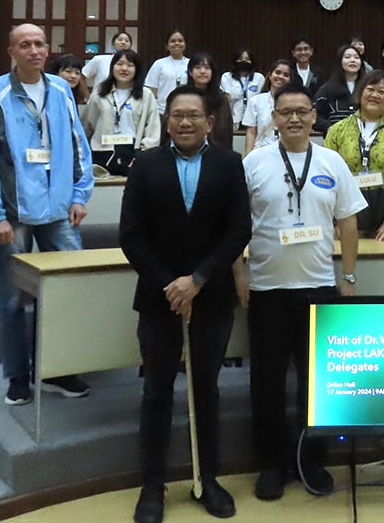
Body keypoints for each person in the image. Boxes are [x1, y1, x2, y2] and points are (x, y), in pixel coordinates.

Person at [120, 85, 251, 523]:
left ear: (209, 122)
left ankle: (205, 479)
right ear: (166, 120)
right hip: (159, 301)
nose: (185, 123)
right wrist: (171, 286)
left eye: (194, 115)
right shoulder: (146, 165)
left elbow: (238, 230)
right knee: (157, 390)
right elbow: (131, 235)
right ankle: (152, 485)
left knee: (206, 391)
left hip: (211, 297)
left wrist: (196, 280)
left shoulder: (230, 165)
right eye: (177, 115)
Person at [233, 82, 367, 502]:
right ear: (273, 117)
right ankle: (272, 462)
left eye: (302, 111)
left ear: (314, 117)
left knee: (318, 382)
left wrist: (348, 277)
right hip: (268, 288)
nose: (294, 118)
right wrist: (239, 273)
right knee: (267, 382)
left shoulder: (332, 161)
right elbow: (236, 225)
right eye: (285, 111)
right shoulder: (254, 162)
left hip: (319, 288)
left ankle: (312, 458)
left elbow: (348, 223)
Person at [0, 23, 94, 405]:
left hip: (59, 209)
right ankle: (18, 376)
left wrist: (79, 195)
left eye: (40, 43)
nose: (34, 50)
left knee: (66, 291)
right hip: (15, 211)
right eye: (24, 44)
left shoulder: (60, 90)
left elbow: (79, 146)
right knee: (12, 300)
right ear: (11, 51)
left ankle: (59, 368)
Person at [324, 70, 384, 240]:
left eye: (382, 92)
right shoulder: (337, 131)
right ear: (360, 92)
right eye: (370, 89)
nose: (375, 95)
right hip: (344, 224)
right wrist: (335, 220)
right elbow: (325, 179)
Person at [82, 49, 160, 176]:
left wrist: (144, 153)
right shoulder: (99, 93)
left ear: (137, 69)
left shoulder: (145, 95)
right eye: (119, 64)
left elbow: (153, 129)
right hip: (102, 152)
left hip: (133, 154)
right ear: (112, 67)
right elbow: (87, 125)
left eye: (130, 65)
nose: (124, 68)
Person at [313, 44, 366, 135]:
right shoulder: (327, 89)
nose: (352, 60)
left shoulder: (368, 87)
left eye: (356, 57)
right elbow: (315, 116)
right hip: (336, 141)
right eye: (347, 57)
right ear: (340, 61)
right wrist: (329, 127)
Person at [242, 59, 292, 156]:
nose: (281, 77)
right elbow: (251, 133)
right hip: (261, 152)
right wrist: (248, 157)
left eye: (286, 75)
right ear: (270, 75)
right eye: (278, 72)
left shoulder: (293, 103)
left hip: (287, 152)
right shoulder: (255, 101)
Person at [188, 52, 234, 149]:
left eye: (207, 68)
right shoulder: (181, 96)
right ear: (190, 72)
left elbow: (226, 130)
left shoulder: (221, 97)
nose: (202, 71)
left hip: (215, 150)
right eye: (198, 67)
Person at [220, 48, 265, 130]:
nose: (244, 61)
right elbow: (227, 99)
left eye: (247, 59)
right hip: (233, 120)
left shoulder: (259, 78)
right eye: (240, 59)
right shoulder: (227, 77)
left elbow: (260, 101)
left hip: (253, 121)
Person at [145, 30, 189, 115]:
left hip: (185, 111)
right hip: (162, 112)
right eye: (173, 41)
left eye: (180, 41)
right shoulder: (159, 64)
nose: (177, 43)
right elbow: (151, 90)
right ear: (167, 46)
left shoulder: (191, 64)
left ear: (185, 45)